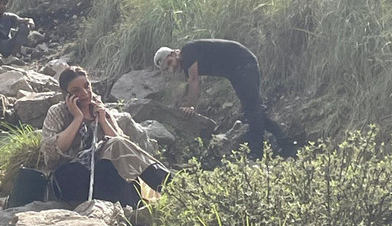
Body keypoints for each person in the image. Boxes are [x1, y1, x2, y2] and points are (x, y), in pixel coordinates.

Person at [41, 66, 170, 207]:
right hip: (71, 176)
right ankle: (170, 185)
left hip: (102, 173)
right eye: (76, 90)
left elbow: (122, 145)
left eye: (87, 86)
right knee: (116, 147)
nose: (84, 93)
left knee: (118, 150)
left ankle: (158, 195)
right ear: (66, 94)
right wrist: (78, 118)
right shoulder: (57, 112)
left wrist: (102, 119)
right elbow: (52, 153)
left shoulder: (99, 109)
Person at [154, 39, 289, 159]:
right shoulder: (186, 65)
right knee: (253, 109)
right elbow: (191, 84)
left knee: (252, 109)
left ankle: (257, 153)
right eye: (167, 69)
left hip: (243, 63)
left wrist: (191, 107)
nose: (172, 69)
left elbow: (194, 81)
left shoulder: (188, 51)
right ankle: (285, 142)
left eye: (170, 63)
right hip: (237, 71)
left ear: (173, 54)